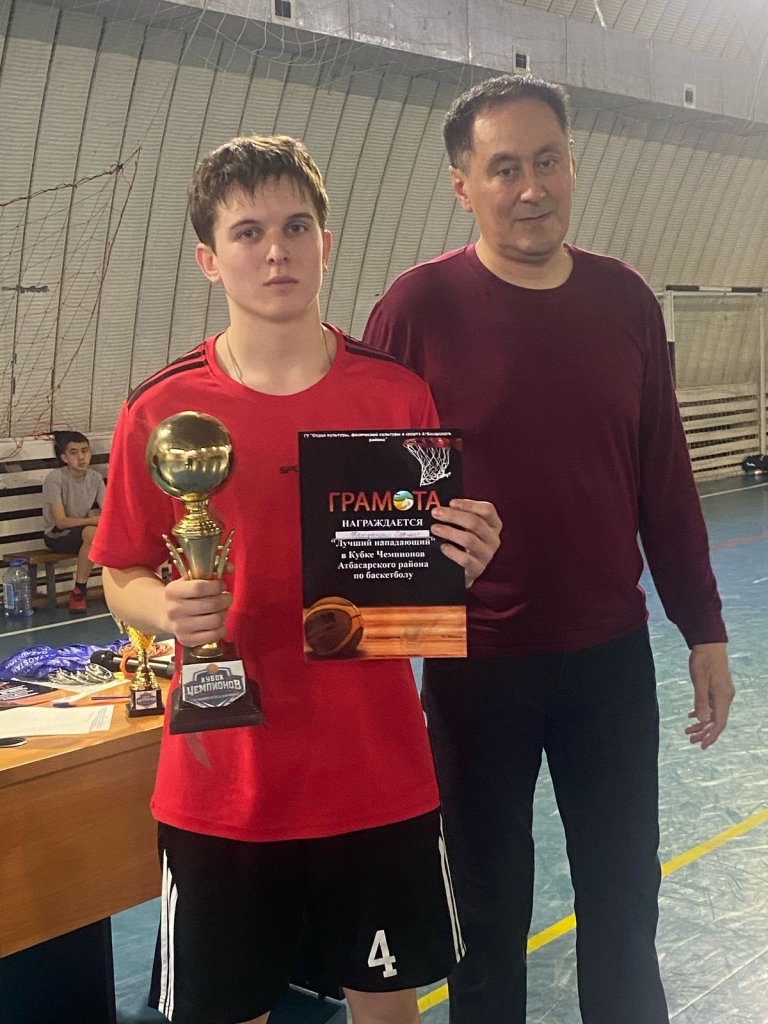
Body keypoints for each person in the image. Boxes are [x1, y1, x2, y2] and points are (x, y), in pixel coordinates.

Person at [90, 134, 501, 1024]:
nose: (275, 250)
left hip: (375, 774)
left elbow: (422, 564)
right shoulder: (161, 411)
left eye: (296, 226)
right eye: (247, 232)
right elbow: (120, 572)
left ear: (326, 242)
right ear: (209, 258)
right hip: (223, 785)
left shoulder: (396, 397)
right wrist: (164, 606)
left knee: (387, 1011)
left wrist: (464, 551)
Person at [364, 74, 735, 1024]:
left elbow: (663, 475)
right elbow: (369, 491)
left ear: (573, 164)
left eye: (548, 161)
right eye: (504, 169)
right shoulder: (418, 308)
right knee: (485, 920)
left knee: (625, 901)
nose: (531, 188)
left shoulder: (626, 300)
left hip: (608, 660)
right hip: (474, 667)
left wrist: (703, 627)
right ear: (463, 186)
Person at [42, 430, 105, 613]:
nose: (81, 457)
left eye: (84, 451)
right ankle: (79, 591)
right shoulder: (55, 479)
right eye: (74, 452)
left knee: (112, 533)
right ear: (64, 457)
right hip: (57, 536)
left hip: (82, 532)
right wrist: (93, 520)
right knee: (93, 533)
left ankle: (120, 588)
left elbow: (108, 512)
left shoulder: (95, 478)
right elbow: (60, 522)